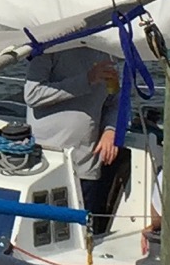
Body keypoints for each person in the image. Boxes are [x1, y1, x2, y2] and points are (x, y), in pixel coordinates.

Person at [24, 39, 127, 233]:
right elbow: (33, 94)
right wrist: (87, 79)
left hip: (86, 161)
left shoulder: (106, 49)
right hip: (48, 160)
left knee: (84, 231)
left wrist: (111, 130)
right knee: (46, 231)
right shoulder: (49, 48)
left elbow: (115, 101)